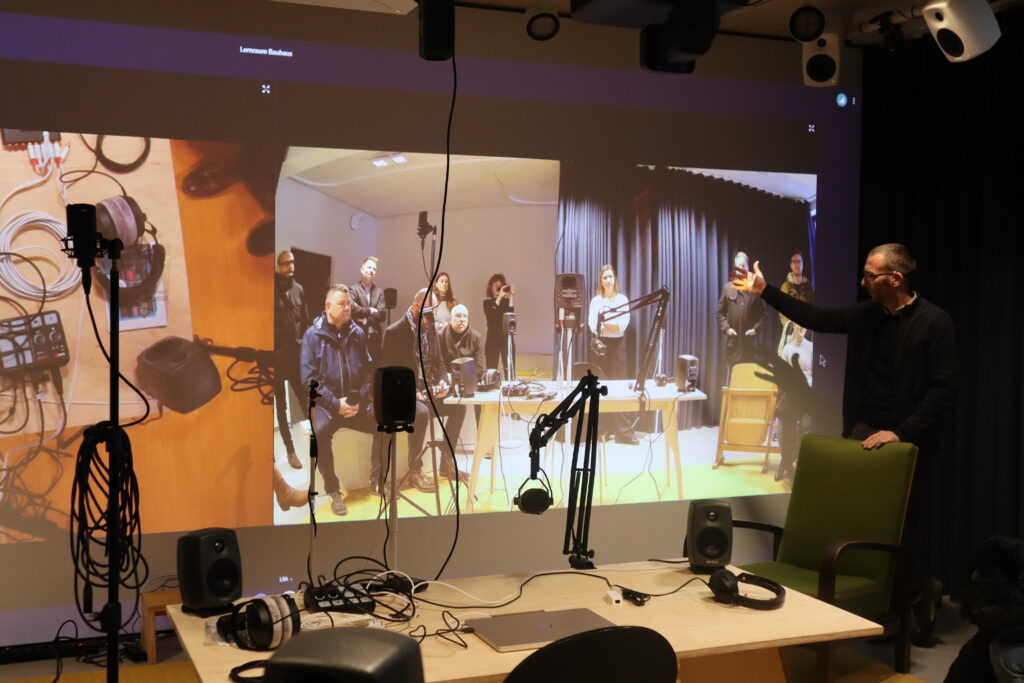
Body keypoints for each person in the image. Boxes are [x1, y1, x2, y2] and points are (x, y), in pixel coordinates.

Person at [733, 242, 956, 644]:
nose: (863, 281)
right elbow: (816, 318)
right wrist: (765, 290)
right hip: (863, 430)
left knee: (903, 529)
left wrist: (901, 432)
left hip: (909, 438)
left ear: (896, 279)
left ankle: (914, 603)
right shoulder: (868, 313)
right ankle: (874, 609)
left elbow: (944, 390)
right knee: (863, 524)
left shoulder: (934, 322)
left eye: (871, 275)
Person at [300, 285, 380, 516]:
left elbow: (367, 372)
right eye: (342, 304)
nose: (348, 308)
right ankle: (333, 490)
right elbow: (309, 381)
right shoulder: (312, 336)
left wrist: (360, 400)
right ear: (328, 307)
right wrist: (337, 404)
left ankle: (376, 480)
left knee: (384, 424)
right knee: (320, 433)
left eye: (349, 304)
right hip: (327, 406)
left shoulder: (358, 332)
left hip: (355, 404)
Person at [380, 288, 468, 493]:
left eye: (433, 313)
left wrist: (444, 382)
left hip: (430, 392)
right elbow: (388, 373)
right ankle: (415, 470)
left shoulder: (430, 330)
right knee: (421, 414)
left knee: (459, 408)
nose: (430, 320)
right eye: (427, 314)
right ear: (414, 308)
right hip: (406, 394)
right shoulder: (394, 332)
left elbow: (440, 364)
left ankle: (447, 462)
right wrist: (413, 392)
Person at [588, 264, 638, 445]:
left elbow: (622, 326)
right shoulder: (596, 301)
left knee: (619, 387)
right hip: (599, 346)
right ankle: (601, 431)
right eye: (604, 278)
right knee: (600, 388)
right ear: (600, 281)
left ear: (615, 279)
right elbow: (593, 326)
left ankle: (623, 433)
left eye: (610, 277)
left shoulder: (622, 299)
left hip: (618, 346)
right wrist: (612, 325)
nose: (608, 280)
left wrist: (609, 325)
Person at [273, 250, 308, 470]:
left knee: (305, 400)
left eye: (293, 262)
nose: (290, 267)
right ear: (277, 266)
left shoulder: (299, 290)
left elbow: (305, 319)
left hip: (295, 357)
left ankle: (315, 444)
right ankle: (290, 450)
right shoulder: (270, 287)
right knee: (280, 407)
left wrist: (305, 347)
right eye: (286, 263)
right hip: (276, 359)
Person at [438, 304, 486, 451]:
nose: (462, 320)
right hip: (445, 384)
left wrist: (464, 379)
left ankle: (484, 444)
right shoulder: (440, 336)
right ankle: (446, 456)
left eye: (465, 316)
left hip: (470, 383)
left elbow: (480, 366)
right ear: (450, 319)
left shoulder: (476, 337)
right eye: (458, 316)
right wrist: (449, 381)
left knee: (484, 403)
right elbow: (437, 364)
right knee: (459, 408)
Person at [717, 251, 765, 368]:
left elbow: (764, 314)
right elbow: (719, 313)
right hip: (733, 346)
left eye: (744, 265)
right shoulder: (728, 288)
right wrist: (727, 328)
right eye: (739, 265)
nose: (741, 268)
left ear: (748, 268)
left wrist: (755, 329)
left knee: (748, 383)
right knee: (732, 382)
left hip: (749, 347)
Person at [350, 256, 386, 361]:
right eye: (369, 267)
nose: (371, 271)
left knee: (374, 369)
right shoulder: (353, 289)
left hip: (375, 338)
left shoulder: (379, 291)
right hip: (357, 336)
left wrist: (363, 318)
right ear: (362, 269)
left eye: (374, 269)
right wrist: (371, 311)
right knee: (359, 369)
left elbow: (382, 315)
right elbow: (352, 309)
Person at [778, 251, 815, 355]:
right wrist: (790, 326)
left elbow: (812, 309)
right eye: (794, 262)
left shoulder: (809, 288)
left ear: (803, 264)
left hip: (806, 333)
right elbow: (781, 311)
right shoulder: (785, 286)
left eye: (799, 262)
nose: (797, 264)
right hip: (790, 332)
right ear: (791, 265)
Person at [483, 273, 516, 374]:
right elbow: (491, 314)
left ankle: (510, 386)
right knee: (491, 367)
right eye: (496, 285)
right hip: (492, 337)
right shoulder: (487, 303)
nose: (498, 287)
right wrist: (500, 297)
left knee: (509, 367)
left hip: (506, 337)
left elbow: (511, 315)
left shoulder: (505, 302)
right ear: (491, 287)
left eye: (500, 286)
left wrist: (511, 296)